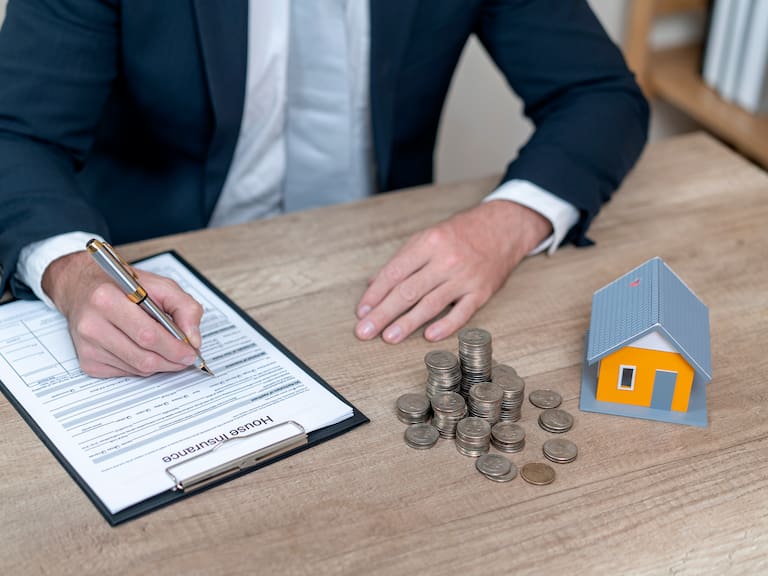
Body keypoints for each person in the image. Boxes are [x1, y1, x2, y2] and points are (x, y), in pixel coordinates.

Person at [0, 0, 649, 378]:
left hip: (376, 281)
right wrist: (69, 269)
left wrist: (506, 223)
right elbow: (16, 134)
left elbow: (600, 96)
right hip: (154, 279)